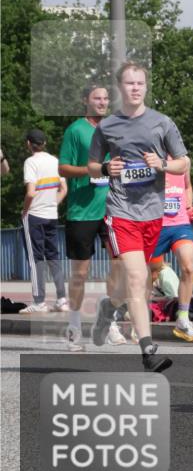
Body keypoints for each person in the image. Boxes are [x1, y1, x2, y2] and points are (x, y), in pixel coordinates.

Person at [87, 61, 189, 372]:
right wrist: (106, 168)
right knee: (137, 277)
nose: (135, 88)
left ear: (145, 86)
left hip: (153, 214)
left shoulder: (162, 123)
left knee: (131, 286)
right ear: (120, 87)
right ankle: (148, 351)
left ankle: (108, 308)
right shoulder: (107, 126)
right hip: (121, 213)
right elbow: (92, 166)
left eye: (140, 83)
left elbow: (184, 162)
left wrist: (162, 164)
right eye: (129, 83)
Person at [58, 85, 128, 349]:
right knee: (80, 273)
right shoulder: (76, 130)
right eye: (97, 98)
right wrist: (95, 170)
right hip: (82, 211)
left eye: (106, 98)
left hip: (112, 209)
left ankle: (109, 319)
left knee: (120, 265)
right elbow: (63, 168)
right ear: (85, 101)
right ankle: (74, 327)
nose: (102, 102)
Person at [148, 160, 193, 341]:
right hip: (155, 225)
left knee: (188, 268)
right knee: (151, 274)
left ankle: (183, 319)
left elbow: (187, 186)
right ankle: (138, 318)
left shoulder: (184, 160)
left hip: (180, 224)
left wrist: (189, 208)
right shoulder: (149, 157)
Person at [19, 129, 68, 314]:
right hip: (51, 215)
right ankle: (62, 300)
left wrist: (25, 211)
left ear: (28, 144)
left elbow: (31, 192)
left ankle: (39, 301)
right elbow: (64, 189)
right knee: (53, 256)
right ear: (45, 143)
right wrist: (53, 203)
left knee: (35, 259)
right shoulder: (55, 161)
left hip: (35, 215)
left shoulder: (30, 162)